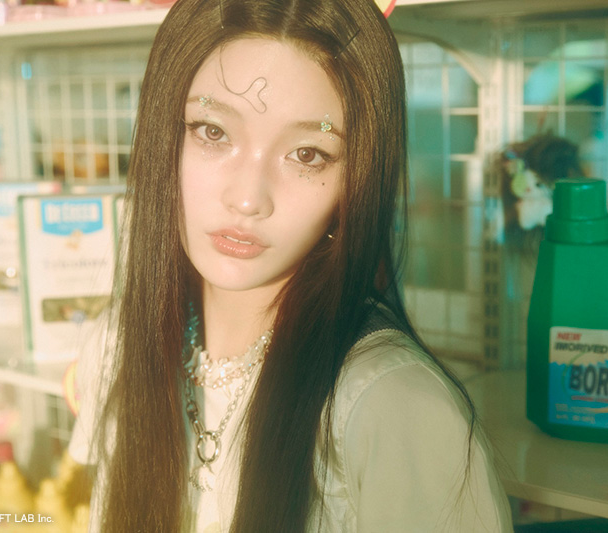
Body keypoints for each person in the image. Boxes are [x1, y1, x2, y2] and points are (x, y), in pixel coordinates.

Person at [69, 0, 513, 531]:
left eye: (307, 154)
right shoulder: (116, 349)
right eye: (213, 132)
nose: (248, 199)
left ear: (355, 182)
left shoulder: (392, 406)